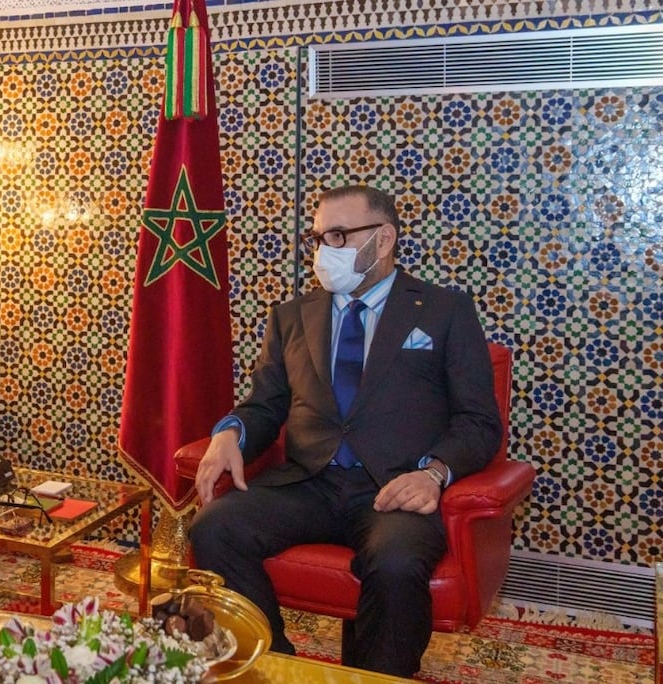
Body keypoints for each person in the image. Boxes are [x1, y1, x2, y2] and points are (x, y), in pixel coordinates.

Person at [187, 184, 501, 677]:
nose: (322, 251)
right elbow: (265, 406)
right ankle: (275, 665)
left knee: (395, 563)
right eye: (316, 238)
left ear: (384, 239)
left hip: (395, 488)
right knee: (214, 527)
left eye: (337, 235)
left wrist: (434, 473)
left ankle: (375, 676)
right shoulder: (292, 316)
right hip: (309, 483)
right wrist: (230, 433)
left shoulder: (444, 312)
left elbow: (479, 422)